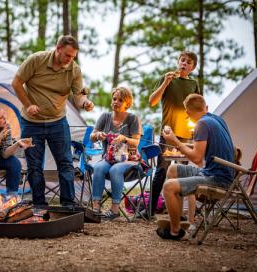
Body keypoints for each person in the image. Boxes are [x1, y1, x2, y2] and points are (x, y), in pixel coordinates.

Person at [11, 35, 94, 206]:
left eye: (73, 57)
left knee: (65, 162)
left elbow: (78, 96)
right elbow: (16, 82)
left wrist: (85, 103)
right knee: (34, 165)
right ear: (57, 49)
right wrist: (28, 105)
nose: (70, 60)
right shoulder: (36, 60)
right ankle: (39, 205)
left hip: (58, 121)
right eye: (67, 55)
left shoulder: (74, 70)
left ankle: (68, 203)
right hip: (31, 123)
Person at [156, 94, 235, 240]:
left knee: (168, 187)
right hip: (219, 173)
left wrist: (176, 142)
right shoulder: (217, 119)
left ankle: (175, 232)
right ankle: (178, 219)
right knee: (173, 169)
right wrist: (182, 144)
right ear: (205, 107)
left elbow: (197, 159)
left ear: (187, 112)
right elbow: (202, 146)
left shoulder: (201, 124)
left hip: (217, 179)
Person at [137, 51, 200, 220]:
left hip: (186, 135)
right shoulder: (167, 78)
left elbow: (198, 108)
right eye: (182, 60)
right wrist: (166, 82)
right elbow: (152, 101)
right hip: (168, 133)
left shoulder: (194, 84)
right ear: (178, 62)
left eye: (189, 62)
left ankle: (179, 213)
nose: (184, 63)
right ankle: (150, 210)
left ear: (193, 67)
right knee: (162, 171)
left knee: (182, 173)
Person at [90, 87, 143, 221]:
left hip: (128, 159)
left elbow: (136, 143)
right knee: (98, 168)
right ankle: (96, 207)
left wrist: (124, 138)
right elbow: (92, 136)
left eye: (120, 100)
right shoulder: (105, 117)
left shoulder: (133, 118)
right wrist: (98, 135)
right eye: (114, 99)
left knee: (115, 170)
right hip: (109, 157)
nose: (116, 102)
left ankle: (115, 210)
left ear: (128, 103)